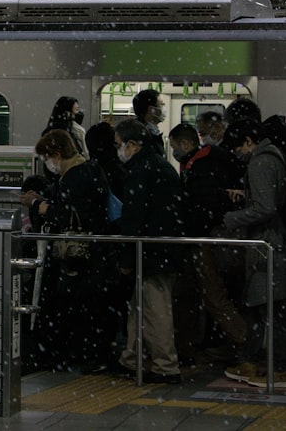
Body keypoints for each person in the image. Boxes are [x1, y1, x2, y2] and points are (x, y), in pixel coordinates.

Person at [19, 129, 113, 372]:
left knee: (79, 306)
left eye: (47, 158)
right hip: (94, 251)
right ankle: (91, 354)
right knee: (92, 307)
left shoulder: (74, 177)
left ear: (57, 153)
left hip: (78, 252)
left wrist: (38, 205)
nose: (48, 165)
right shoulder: (89, 169)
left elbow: (67, 214)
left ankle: (84, 355)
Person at [221, 119, 286, 389]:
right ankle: (256, 361)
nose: (237, 154)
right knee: (268, 306)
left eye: (237, 148)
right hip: (275, 243)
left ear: (248, 141)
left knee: (266, 306)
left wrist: (232, 217)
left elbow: (266, 207)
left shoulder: (260, 162)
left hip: (266, 244)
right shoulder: (275, 158)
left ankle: (277, 367)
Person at [113, 118, 185, 384]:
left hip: (152, 251)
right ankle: (132, 358)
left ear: (133, 145)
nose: (118, 150)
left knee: (155, 309)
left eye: (120, 145)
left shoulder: (141, 172)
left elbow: (134, 217)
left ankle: (166, 366)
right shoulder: (161, 167)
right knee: (141, 306)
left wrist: (126, 257)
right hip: (164, 248)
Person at [168, 123, 246, 365]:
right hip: (207, 238)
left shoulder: (201, 167)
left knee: (212, 297)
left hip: (202, 240)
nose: (174, 152)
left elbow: (203, 207)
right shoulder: (212, 161)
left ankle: (250, 346)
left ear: (185, 144)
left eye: (174, 147)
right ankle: (187, 348)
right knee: (194, 296)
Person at [132, 89, 165, 154]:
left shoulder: (152, 132)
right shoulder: (140, 135)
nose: (163, 108)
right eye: (161, 105)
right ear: (151, 110)